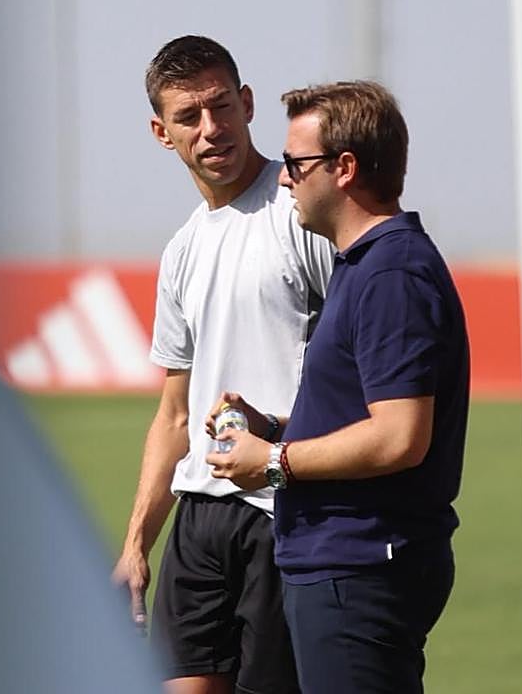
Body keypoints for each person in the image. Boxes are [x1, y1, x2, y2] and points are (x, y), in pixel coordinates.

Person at [206, 80, 470, 694]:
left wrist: (273, 461)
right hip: (341, 564)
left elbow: (401, 436)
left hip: (358, 566)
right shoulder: (363, 265)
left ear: (344, 168)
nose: (285, 179)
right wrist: (270, 428)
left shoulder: (391, 272)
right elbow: (364, 415)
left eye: (297, 164)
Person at [111, 35, 335, 694]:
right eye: (189, 117)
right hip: (198, 520)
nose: (210, 129)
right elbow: (175, 416)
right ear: (162, 132)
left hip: (283, 511)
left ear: (246, 103)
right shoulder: (181, 250)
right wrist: (136, 545)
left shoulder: (301, 212)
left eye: (220, 107)